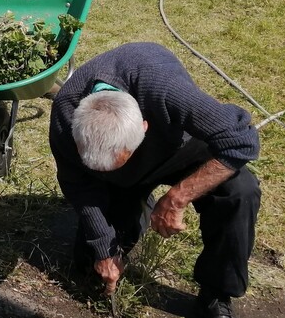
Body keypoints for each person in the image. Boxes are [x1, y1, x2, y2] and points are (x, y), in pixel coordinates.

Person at [48, 42, 261, 318]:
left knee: (240, 191)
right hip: (122, 179)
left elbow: (242, 141)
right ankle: (136, 200)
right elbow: (79, 186)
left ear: (144, 127)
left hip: (179, 149)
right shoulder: (66, 115)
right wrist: (103, 245)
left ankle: (216, 294)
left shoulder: (164, 87)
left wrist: (178, 197)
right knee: (90, 269)